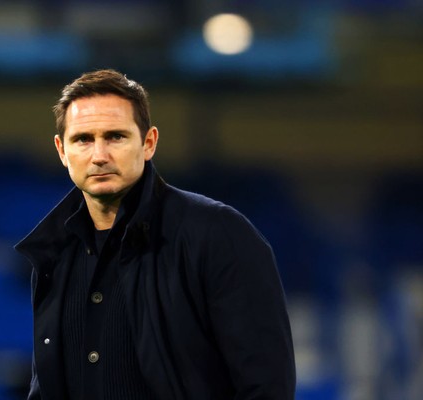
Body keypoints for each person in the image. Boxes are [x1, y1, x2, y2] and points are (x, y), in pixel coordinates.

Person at [15, 69, 295, 400]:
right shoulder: (55, 252)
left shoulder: (217, 234)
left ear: (148, 143)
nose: (99, 155)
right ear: (62, 151)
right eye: (83, 139)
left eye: (116, 137)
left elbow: (266, 385)